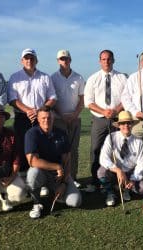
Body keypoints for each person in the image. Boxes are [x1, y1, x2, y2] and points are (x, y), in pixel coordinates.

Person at [25, 106, 82, 219]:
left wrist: (64, 184)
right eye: (43, 118)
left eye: (49, 118)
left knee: (75, 202)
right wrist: (56, 166)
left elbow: (67, 161)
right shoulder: (31, 133)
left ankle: (54, 192)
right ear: (38, 119)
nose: (47, 121)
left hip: (58, 176)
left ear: (53, 118)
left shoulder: (61, 133)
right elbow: (33, 161)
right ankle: (37, 203)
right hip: (42, 172)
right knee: (33, 173)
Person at [7, 48, 57, 174]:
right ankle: (23, 177)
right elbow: (12, 99)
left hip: (42, 118)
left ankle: (42, 177)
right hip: (22, 117)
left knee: (42, 147)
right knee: (22, 147)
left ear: (36, 60)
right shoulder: (15, 77)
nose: (29, 60)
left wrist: (39, 111)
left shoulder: (45, 77)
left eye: (32, 58)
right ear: (22, 61)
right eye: (26, 58)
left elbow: (52, 97)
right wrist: (29, 110)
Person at [84, 49, 127, 192]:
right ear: (99, 61)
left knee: (118, 150)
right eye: (103, 59)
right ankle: (95, 181)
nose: (106, 61)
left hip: (117, 119)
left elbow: (127, 98)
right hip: (99, 119)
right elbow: (88, 102)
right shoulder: (93, 78)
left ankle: (116, 180)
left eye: (109, 59)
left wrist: (116, 110)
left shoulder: (122, 77)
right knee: (96, 150)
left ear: (113, 60)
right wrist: (103, 111)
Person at [51, 49, 85, 188]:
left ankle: (73, 177)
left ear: (70, 60)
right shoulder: (52, 78)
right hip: (58, 120)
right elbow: (52, 99)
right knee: (59, 149)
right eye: (61, 59)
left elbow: (82, 99)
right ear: (58, 61)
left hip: (75, 118)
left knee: (74, 149)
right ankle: (60, 177)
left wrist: (74, 115)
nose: (64, 61)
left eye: (66, 58)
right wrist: (62, 115)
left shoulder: (79, 77)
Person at [98, 111, 143, 206]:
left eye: (128, 123)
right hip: (115, 173)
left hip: (130, 173)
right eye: (123, 123)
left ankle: (125, 189)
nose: (126, 125)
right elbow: (103, 158)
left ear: (132, 124)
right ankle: (111, 192)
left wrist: (133, 179)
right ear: (119, 125)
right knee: (101, 172)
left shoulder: (139, 142)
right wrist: (118, 170)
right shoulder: (111, 137)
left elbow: (141, 163)